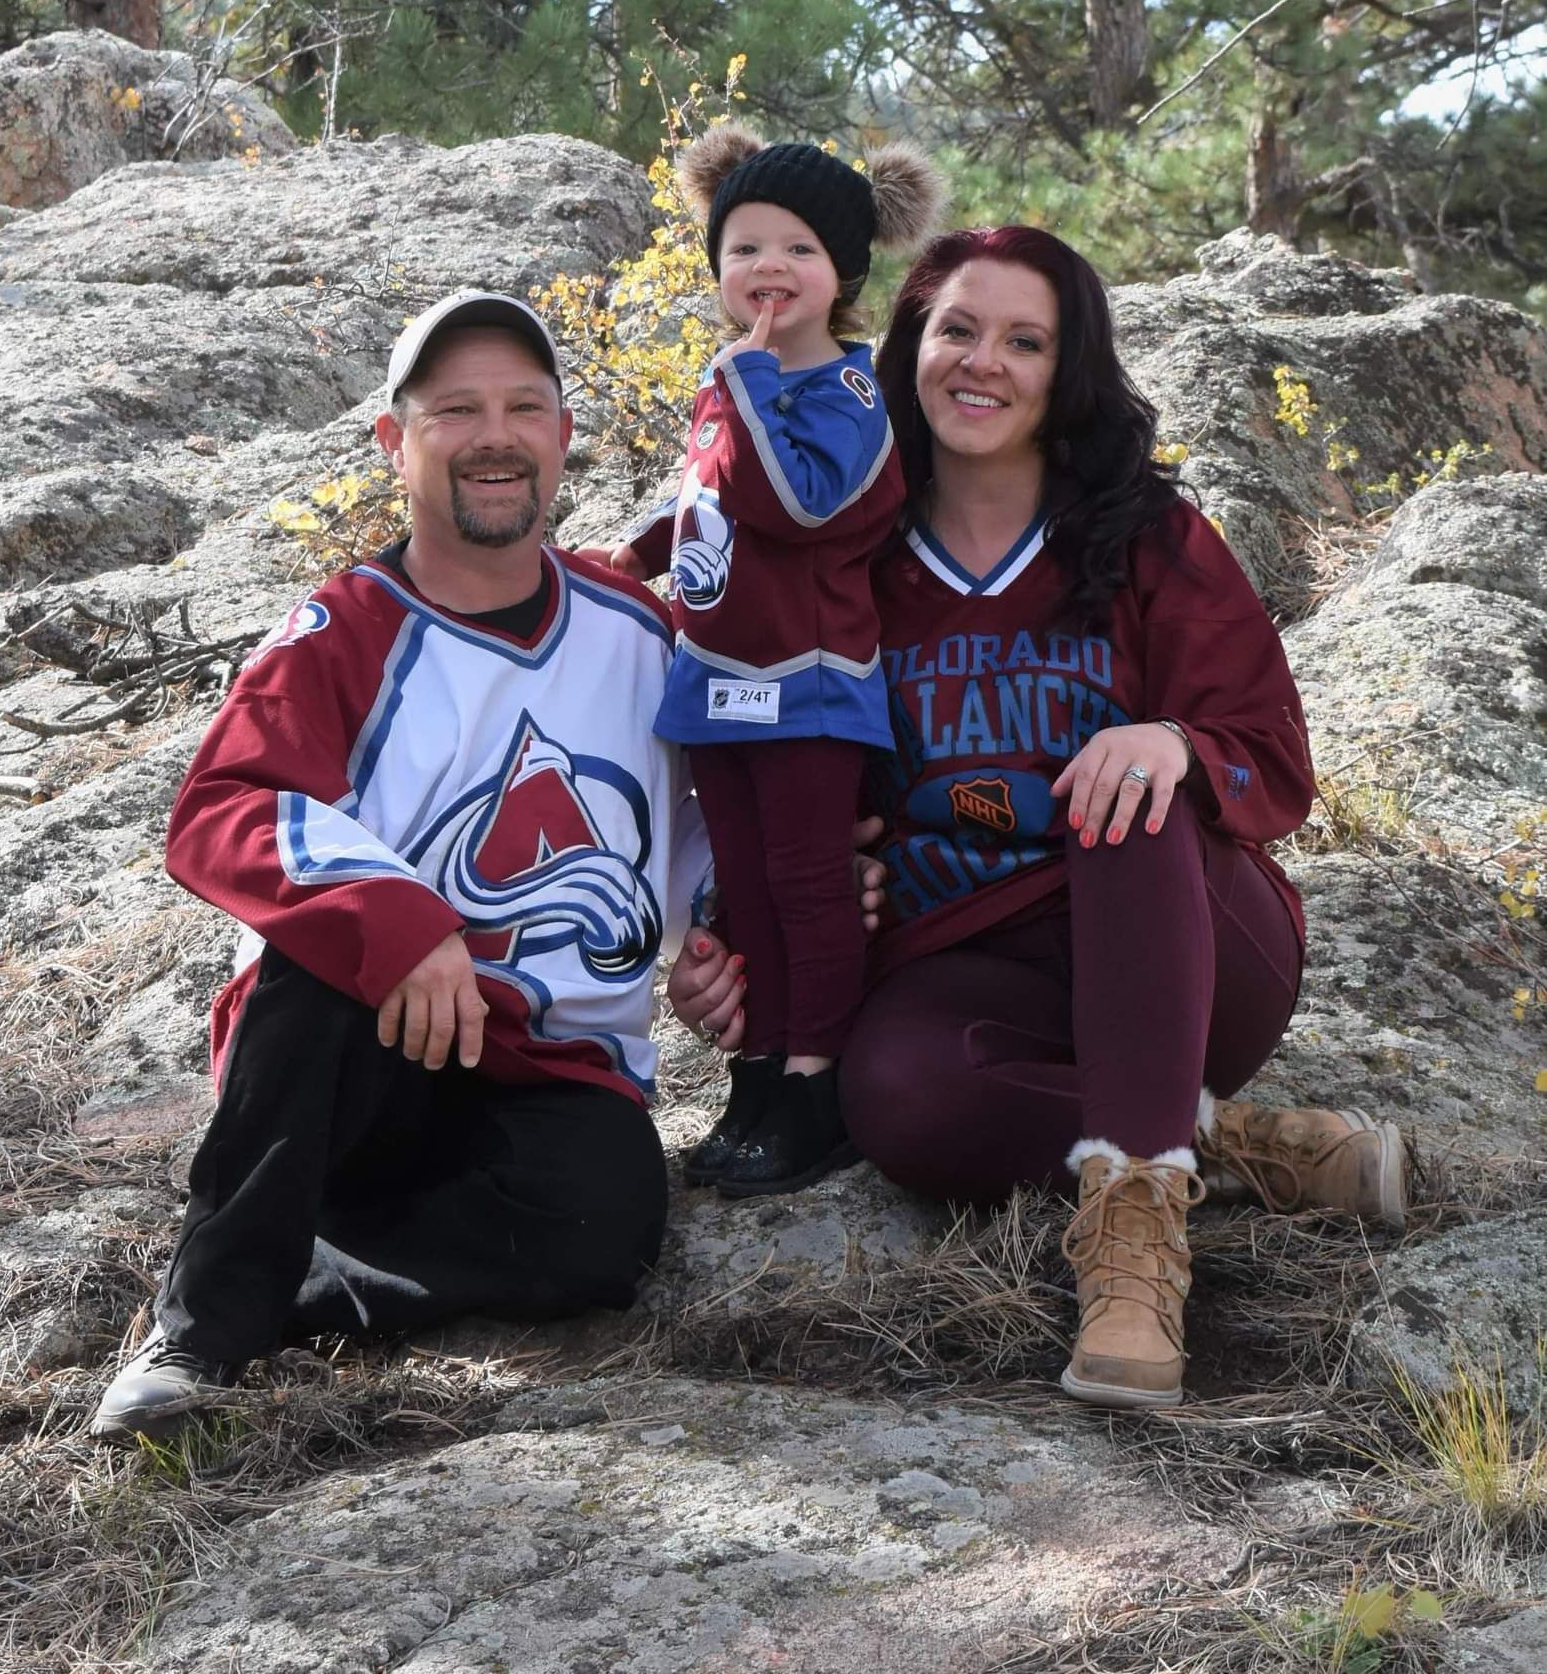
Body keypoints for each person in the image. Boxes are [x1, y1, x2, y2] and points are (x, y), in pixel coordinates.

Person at [671, 225, 1407, 1411]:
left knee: (1126, 796)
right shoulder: (844, 552)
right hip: (968, 960)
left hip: (1189, 942)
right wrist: (753, 922)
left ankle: (1134, 1227)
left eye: (1027, 340)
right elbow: (775, 759)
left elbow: (1270, 755)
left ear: (1068, 371)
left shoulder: (1149, 536)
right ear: (908, 346)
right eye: (958, 329)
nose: (985, 362)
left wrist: (1169, 739)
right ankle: (1230, 1139)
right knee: (896, 1101)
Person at [92, 289, 720, 1441]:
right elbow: (224, 807)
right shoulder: (345, 629)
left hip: (551, 1066)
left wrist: (722, 937)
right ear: (397, 441)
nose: (497, 434)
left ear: (562, 435)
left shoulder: (637, 629)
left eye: (526, 406)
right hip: (364, 1053)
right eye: (457, 409)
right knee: (310, 965)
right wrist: (402, 920)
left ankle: (301, 1278)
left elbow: (695, 823)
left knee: (608, 1227)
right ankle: (199, 1332)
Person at [584, 129, 942, 1197]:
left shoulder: (850, 392)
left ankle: (814, 1076)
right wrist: (641, 550)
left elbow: (804, 503)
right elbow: (710, 499)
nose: (767, 268)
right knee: (744, 887)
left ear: (844, 274)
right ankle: (757, 1073)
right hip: (716, 682)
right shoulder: (730, 380)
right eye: (743, 247)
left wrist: (743, 387)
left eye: (797, 247)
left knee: (806, 882)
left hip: (811, 687)